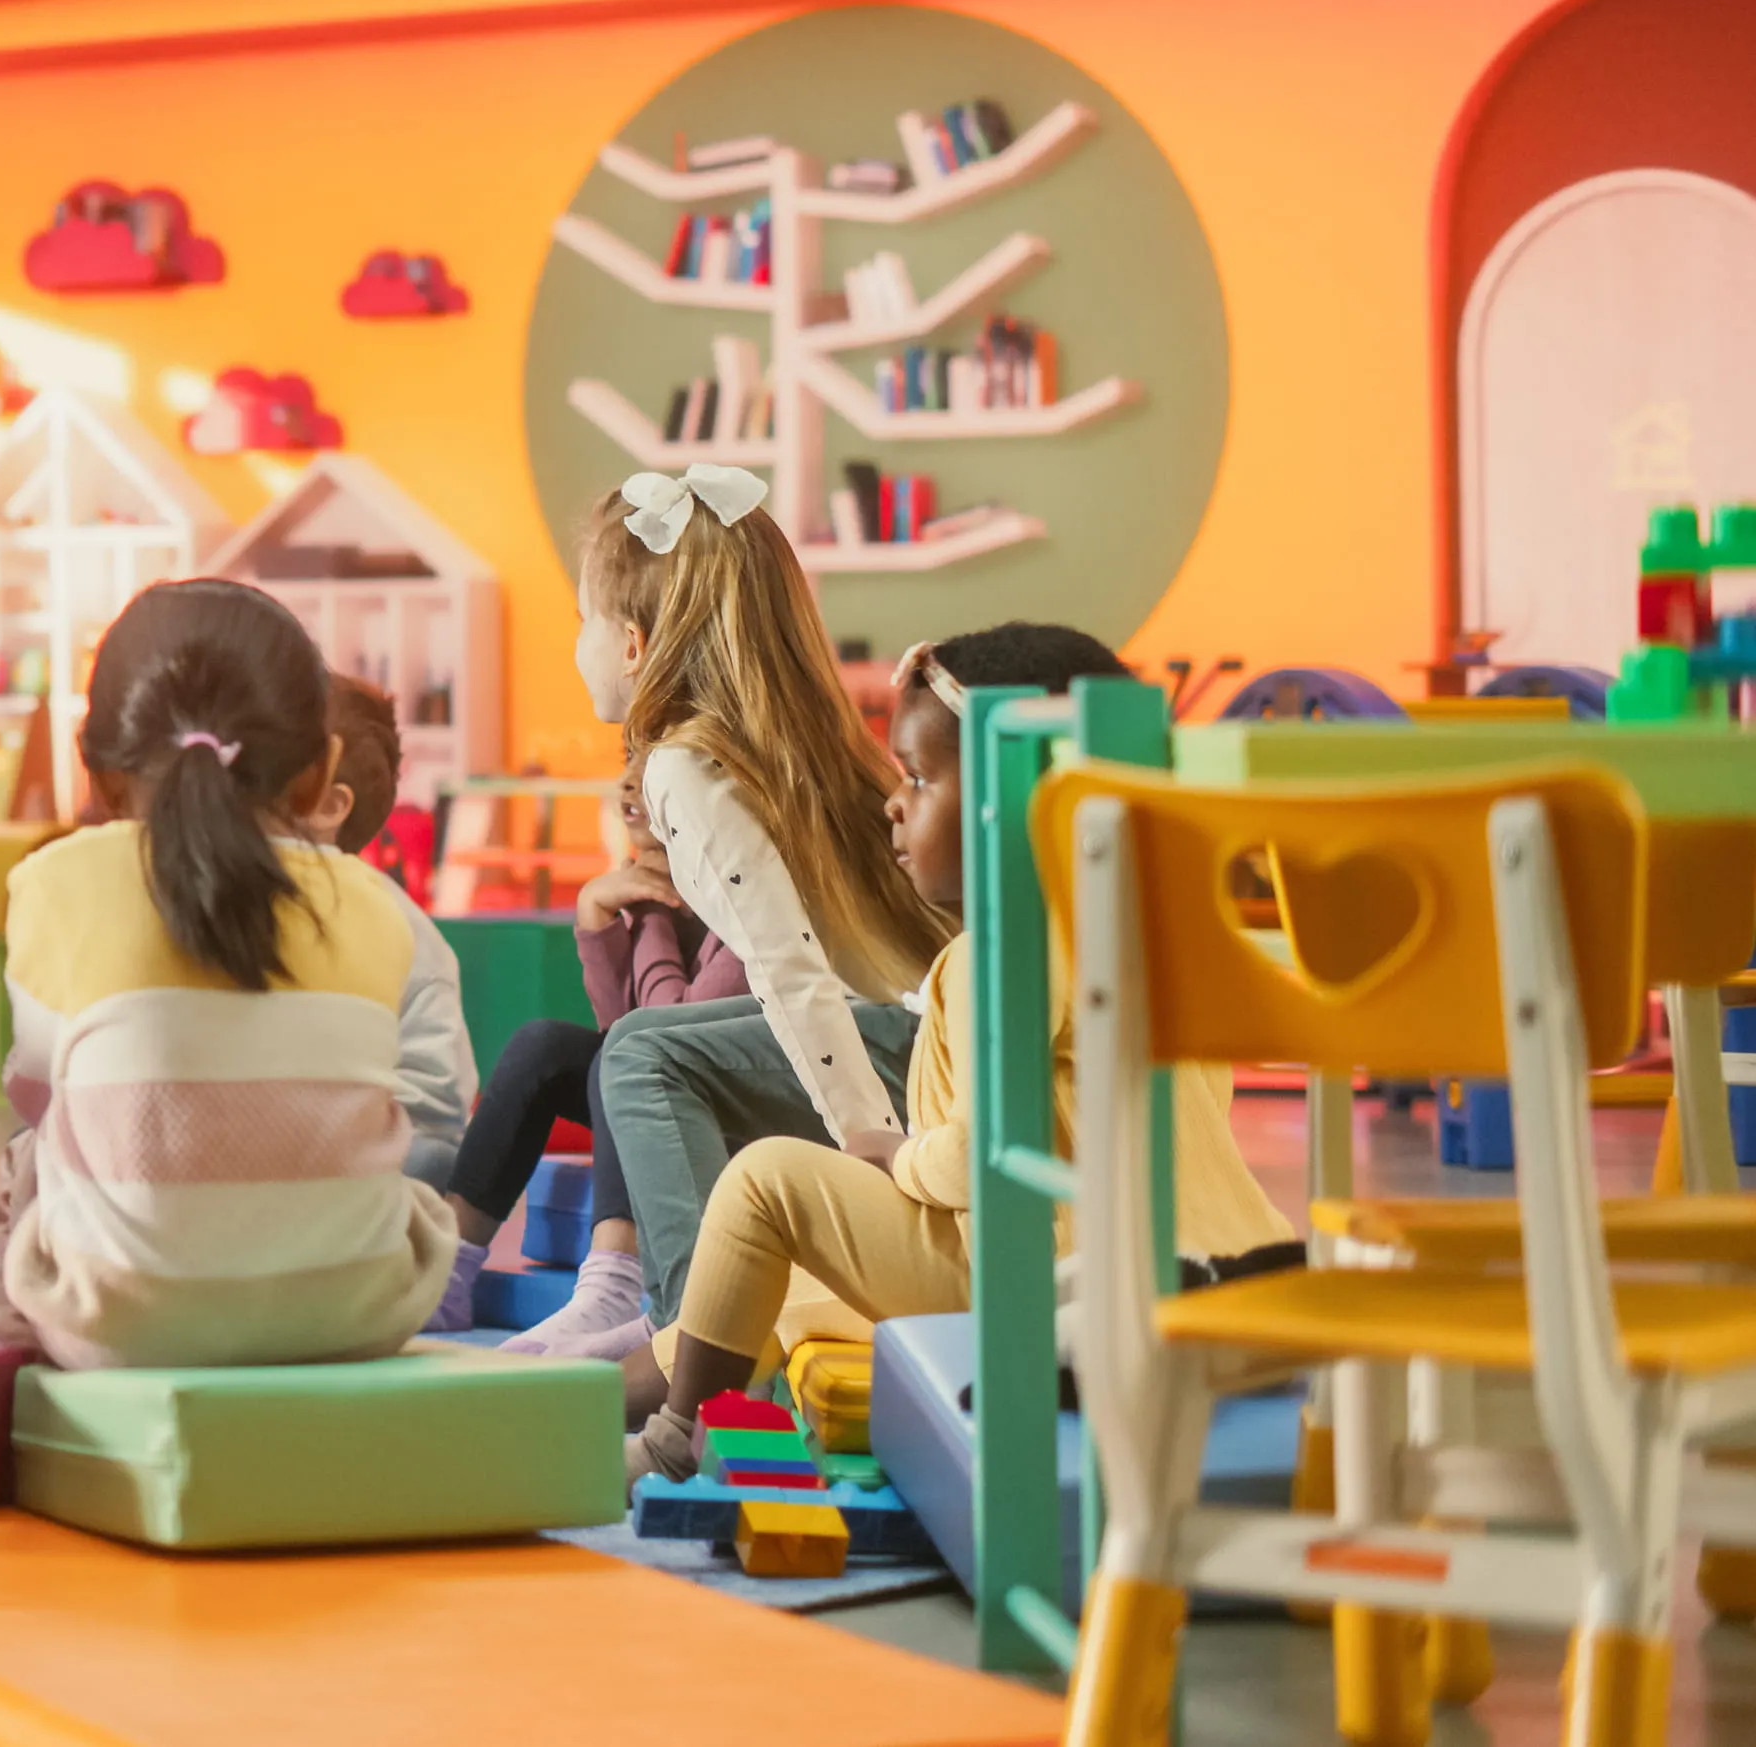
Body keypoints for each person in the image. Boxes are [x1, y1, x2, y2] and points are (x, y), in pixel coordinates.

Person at [620, 623, 1302, 1477]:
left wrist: (899, 1156)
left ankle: (667, 1438)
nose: (892, 803)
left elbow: (984, 1155)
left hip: (1048, 1274)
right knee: (797, 1287)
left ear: (1022, 798)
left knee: (765, 1185)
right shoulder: (1155, 933)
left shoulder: (1000, 951)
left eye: (917, 777)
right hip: (1229, 1257)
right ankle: (610, 1388)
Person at [507, 463, 948, 1359]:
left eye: (581, 622)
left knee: (638, 1054)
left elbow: (789, 968)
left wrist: (875, 1145)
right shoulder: (783, 747)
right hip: (928, 1044)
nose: (579, 646)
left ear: (630, 644)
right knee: (666, 1045)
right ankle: (714, 1305)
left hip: (910, 1065)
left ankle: (692, 1339)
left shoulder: (683, 768)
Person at [0, 582, 456, 1370]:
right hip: (360, 1309)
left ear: (96, 768)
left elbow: (38, 1092)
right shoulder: (373, 903)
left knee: (32, 1147)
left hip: (116, 1326)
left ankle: (9, 1359)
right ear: (319, 772)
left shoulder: (55, 879)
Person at [420, 749, 749, 1333]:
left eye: (649, 765)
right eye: (627, 759)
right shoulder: (672, 887)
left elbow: (662, 1039)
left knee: (626, 1058)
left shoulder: (745, 902)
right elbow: (614, 1025)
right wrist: (594, 912)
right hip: (664, 1095)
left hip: (734, 1114)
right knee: (542, 1046)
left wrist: (649, 916)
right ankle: (445, 1273)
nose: (627, 783)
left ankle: (613, 1284)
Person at [294, 679, 474, 1188]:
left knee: (427, 1159)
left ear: (330, 806)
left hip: (373, 1158)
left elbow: (434, 1111)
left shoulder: (396, 930)